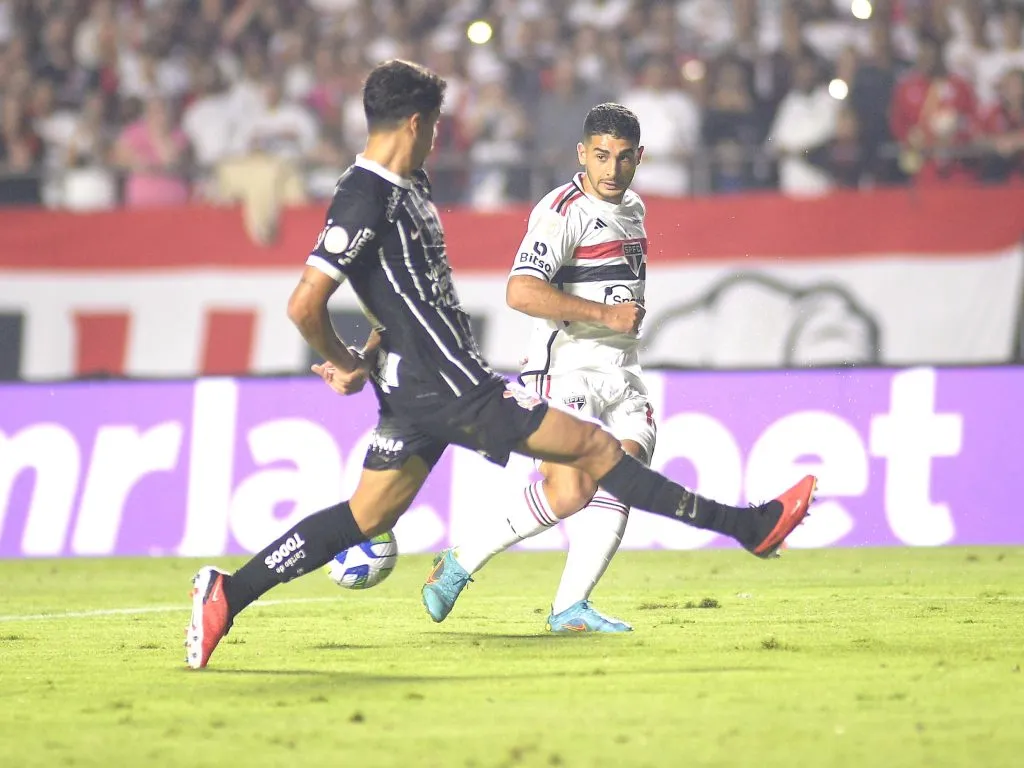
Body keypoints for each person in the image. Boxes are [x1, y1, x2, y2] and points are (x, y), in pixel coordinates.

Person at [185, 60, 816, 670]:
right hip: (451, 384)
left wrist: (371, 350)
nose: (438, 136)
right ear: (414, 123)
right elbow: (304, 305)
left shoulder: (410, 186)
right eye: (435, 124)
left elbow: (404, 293)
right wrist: (343, 362)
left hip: (418, 387)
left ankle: (227, 595)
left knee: (365, 516)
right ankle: (748, 526)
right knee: (596, 452)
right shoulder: (364, 194)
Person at [421, 103, 658, 633]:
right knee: (571, 491)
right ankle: (459, 563)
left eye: (623, 159)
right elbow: (521, 291)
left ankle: (570, 607)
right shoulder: (560, 210)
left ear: (639, 158)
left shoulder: (635, 208)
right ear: (582, 154)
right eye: (601, 156)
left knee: (625, 477)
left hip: (621, 371)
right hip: (565, 369)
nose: (611, 170)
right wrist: (606, 315)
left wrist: (617, 322)